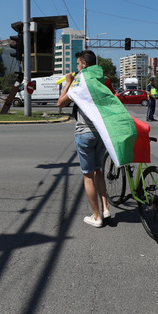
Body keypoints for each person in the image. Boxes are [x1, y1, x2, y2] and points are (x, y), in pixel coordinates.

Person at [58, 50, 111, 228]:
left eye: (78, 64)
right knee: (99, 171)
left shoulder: (80, 82)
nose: (77, 67)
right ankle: (105, 208)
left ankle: (97, 217)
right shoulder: (102, 80)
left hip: (85, 133)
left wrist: (67, 83)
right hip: (101, 133)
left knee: (88, 176)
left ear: (85, 65)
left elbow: (61, 102)